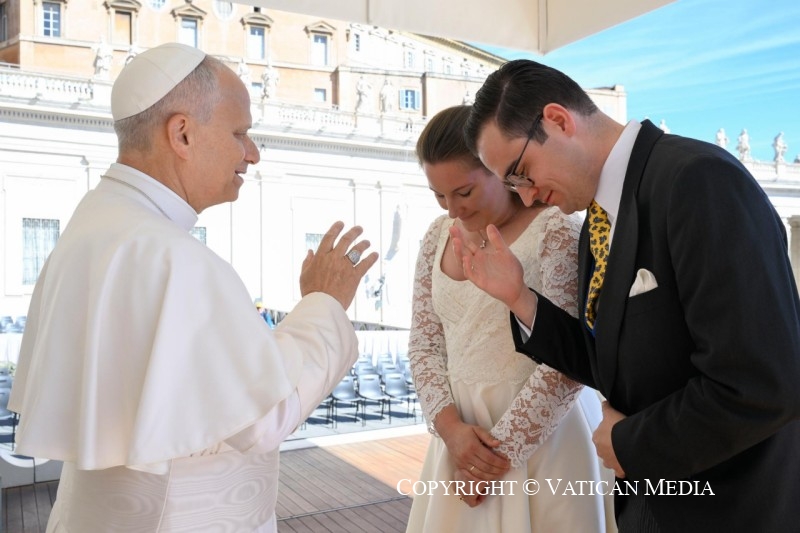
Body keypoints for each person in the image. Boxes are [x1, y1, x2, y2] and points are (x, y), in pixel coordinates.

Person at [8, 42, 379, 532]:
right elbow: (267, 414)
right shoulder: (174, 257)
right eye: (240, 133)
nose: (253, 154)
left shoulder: (92, 224)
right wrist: (324, 302)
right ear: (182, 133)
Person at [453, 59, 800, 532]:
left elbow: (764, 384)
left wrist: (630, 443)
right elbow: (613, 363)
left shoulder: (698, 179)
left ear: (557, 120)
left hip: (727, 510)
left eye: (522, 172)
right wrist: (519, 298)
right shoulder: (597, 221)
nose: (528, 197)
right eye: (513, 185)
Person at [405, 105, 611, 533]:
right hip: (460, 436)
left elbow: (568, 360)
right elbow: (424, 342)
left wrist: (495, 457)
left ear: (499, 170)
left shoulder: (556, 229)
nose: (452, 210)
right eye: (439, 196)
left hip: (544, 437)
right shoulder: (436, 236)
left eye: (463, 192)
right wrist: (451, 431)